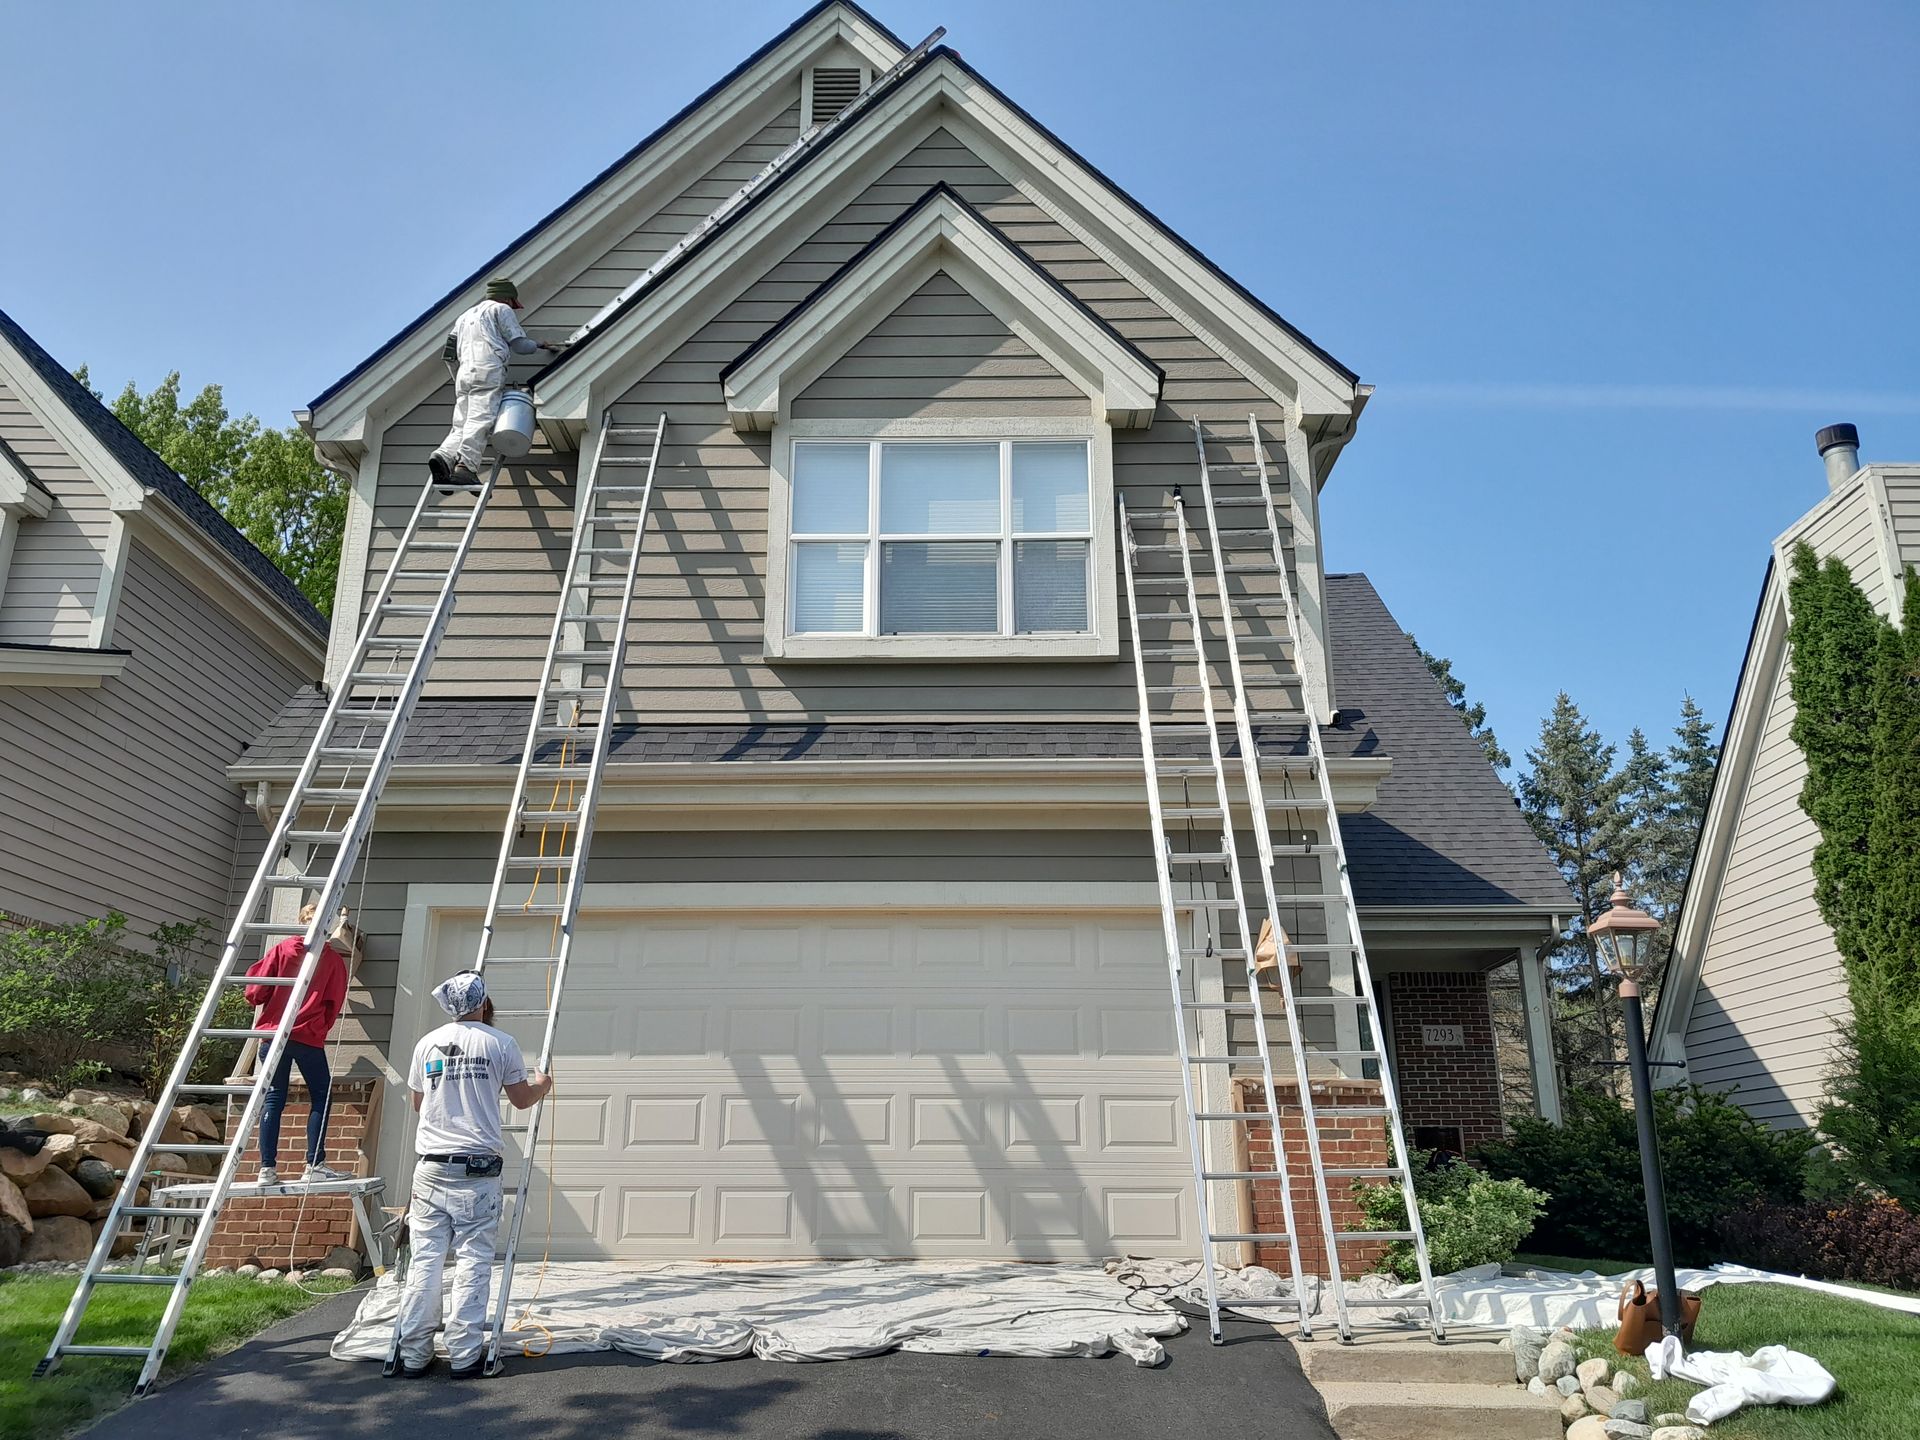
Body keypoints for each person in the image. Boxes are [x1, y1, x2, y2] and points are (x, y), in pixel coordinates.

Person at [393, 970, 553, 1380]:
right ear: (483, 1002)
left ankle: (414, 1355)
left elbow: (418, 1103)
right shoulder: (500, 1043)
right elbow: (521, 1100)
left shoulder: (426, 1043)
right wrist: (543, 1085)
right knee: (473, 1261)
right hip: (477, 1171)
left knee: (425, 1261)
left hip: (431, 1168)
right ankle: (464, 1356)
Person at [245, 903, 353, 1186]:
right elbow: (333, 1002)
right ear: (327, 926)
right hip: (308, 1037)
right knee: (321, 1096)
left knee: (273, 1098)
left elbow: (255, 992)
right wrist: (320, 1028)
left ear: (300, 922)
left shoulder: (281, 950)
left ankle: (266, 1169)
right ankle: (314, 1164)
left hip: (274, 1035)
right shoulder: (331, 960)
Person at [427, 278, 566, 488]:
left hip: (464, 374)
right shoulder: (501, 309)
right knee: (480, 419)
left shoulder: (463, 318)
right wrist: (540, 346)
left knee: (461, 423)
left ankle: (444, 457)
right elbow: (519, 345)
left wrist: (460, 379)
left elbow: (449, 356)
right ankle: (466, 467)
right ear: (508, 298)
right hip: (488, 370)